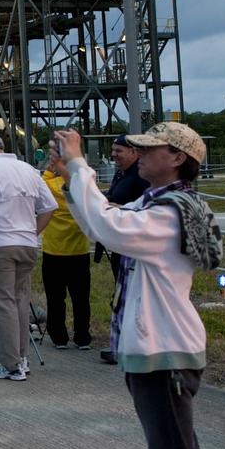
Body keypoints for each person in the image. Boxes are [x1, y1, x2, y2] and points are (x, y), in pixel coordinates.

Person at [57, 122, 213, 449]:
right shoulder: (158, 202)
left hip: (165, 354)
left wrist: (80, 166)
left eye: (149, 148)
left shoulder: (169, 212)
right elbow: (100, 224)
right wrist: (71, 180)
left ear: (177, 157)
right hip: (156, 351)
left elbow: (110, 227)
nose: (138, 153)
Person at [0, 133, 56, 379]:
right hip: (27, 244)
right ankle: (23, 358)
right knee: (19, 301)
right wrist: (32, 231)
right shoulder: (28, 170)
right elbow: (49, 207)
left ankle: (11, 365)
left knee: (1, 304)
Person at [98, 135, 149, 364]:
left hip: (135, 245)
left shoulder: (142, 177)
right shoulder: (121, 174)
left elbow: (146, 208)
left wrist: (123, 210)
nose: (114, 155)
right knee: (120, 294)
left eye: (119, 151)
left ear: (134, 152)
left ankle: (129, 345)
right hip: (119, 244)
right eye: (113, 151)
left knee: (131, 296)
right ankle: (118, 343)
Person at [40, 142, 92, 351]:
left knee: (55, 298)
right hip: (79, 250)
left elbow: (41, 182)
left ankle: (59, 337)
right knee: (81, 298)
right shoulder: (79, 187)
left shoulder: (49, 186)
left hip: (53, 250)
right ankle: (82, 337)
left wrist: (51, 168)